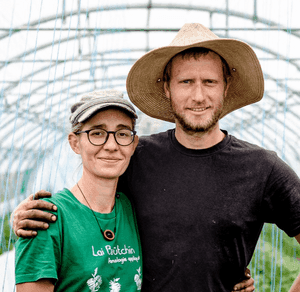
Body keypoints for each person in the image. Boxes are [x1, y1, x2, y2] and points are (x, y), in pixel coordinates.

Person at [13, 23, 298, 291]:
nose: (198, 96)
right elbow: (88, 204)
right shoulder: (136, 156)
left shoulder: (262, 168)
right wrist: (23, 217)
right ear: (167, 88)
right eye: (186, 81)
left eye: (209, 81)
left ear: (225, 86)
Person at [15, 90, 143, 291]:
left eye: (122, 133)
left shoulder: (131, 207)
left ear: (133, 144)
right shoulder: (45, 219)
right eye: (97, 133)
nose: (111, 145)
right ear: (75, 143)